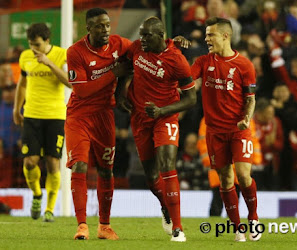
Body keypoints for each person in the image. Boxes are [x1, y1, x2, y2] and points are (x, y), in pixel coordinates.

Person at [118, 16, 197, 242]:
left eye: (147, 35)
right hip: (140, 118)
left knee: (166, 165)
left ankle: (178, 229)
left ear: (160, 36)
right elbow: (122, 69)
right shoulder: (137, 49)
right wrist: (119, 95)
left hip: (165, 117)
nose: (141, 39)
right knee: (151, 176)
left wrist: (163, 111)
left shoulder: (177, 60)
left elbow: (191, 98)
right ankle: (165, 206)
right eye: (141, 34)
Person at [191, 17, 261, 242]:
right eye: (205, 34)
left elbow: (250, 98)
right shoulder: (203, 62)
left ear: (225, 35)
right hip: (215, 132)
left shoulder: (244, 65)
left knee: (243, 175)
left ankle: (253, 218)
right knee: (225, 180)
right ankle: (237, 227)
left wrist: (246, 119)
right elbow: (185, 78)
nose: (206, 38)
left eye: (210, 34)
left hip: (239, 129)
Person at [66, 8, 132, 240]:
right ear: (88, 28)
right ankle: (82, 225)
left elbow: (140, 50)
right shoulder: (75, 51)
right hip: (79, 117)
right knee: (80, 166)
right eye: (99, 26)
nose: (105, 30)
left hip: (105, 116)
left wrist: (169, 43)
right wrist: (113, 73)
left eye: (106, 25)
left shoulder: (118, 44)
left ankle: (104, 226)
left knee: (106, 169)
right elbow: (82, 91)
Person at [13, 23, 70, 222]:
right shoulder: (25, 57)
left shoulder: (62, 54)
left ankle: (50, 209)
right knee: (30, 162)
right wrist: (16, 107)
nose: (33, 49)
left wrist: (49, 63)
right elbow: (22, 82)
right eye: (30, 44)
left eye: (37, 44)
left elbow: (70, 82)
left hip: (55, 116)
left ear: (47, 41)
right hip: (31, 115)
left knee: (53, 163)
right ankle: (37, 194)